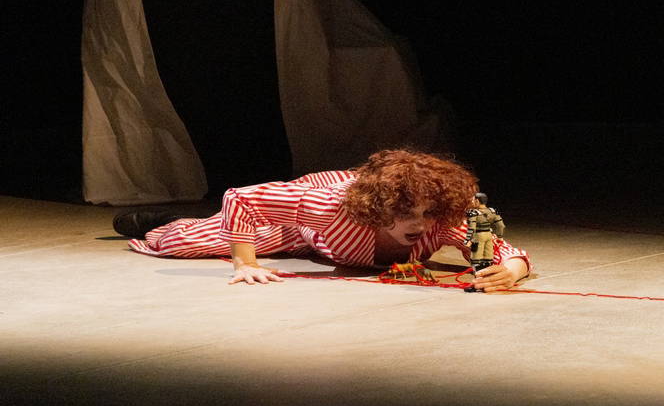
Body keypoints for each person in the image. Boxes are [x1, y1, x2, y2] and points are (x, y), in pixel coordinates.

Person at [117, 150, 530, 292]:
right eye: (406, 212)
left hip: (321, 240)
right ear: (381, 207)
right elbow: (241, 198)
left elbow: (505, 251)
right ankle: (165, 220)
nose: (420, 224)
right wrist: (245, 262)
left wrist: (509, 271)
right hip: (298, 226)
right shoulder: (327, 206)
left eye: (428, 212)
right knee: (182, 243)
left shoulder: (441, 221)